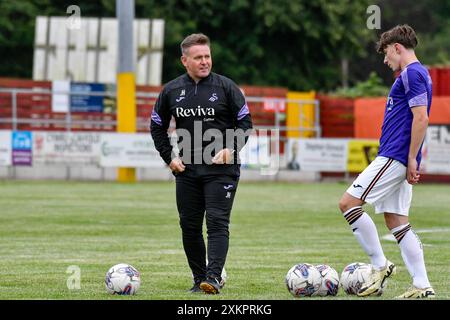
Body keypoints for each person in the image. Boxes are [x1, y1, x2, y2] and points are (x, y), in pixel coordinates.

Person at [150, 33, 252, 294]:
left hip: (222, 170)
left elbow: (245, 124)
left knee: (217, 223)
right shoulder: (171, 90)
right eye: (198, 58)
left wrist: (232, 148)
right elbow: (157, 126)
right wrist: (169, 157)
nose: (205, 61)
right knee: (189, 225)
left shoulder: (226, 87)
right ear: (185, 60)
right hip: (187, 170)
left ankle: (214, 278)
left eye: (207, 56)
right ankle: (199, 280)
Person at [338, 25, 435, 298]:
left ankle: (380, 265)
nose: (385, 60)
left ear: (397, 48)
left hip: (394, 156)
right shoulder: (417, 74)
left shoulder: (413, 74)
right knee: (397, 222)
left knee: (348, 204)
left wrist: (412, 159)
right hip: (400, 156)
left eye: (386, 53)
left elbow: (421, 118)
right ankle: (421, 285)